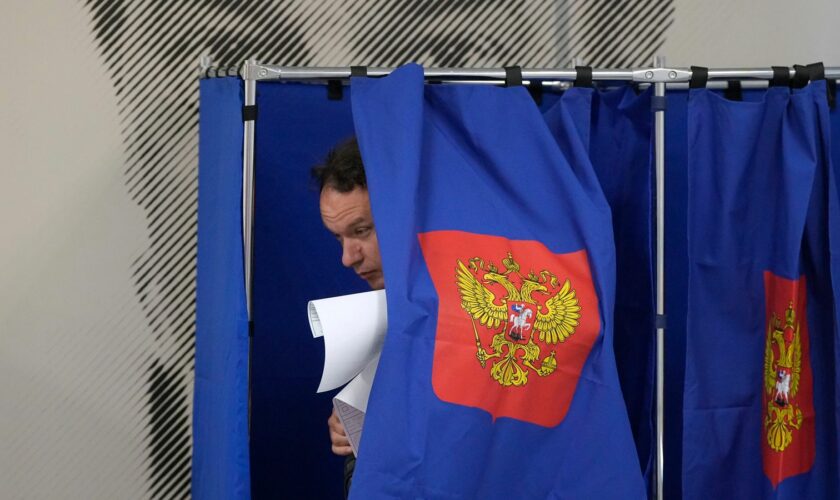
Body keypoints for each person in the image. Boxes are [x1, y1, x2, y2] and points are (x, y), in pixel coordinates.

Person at [311, 137, 383, 498]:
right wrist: (353, 433)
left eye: (361, 231)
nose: (348, 257)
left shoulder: (479, 312)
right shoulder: (384, 315)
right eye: (338, 239)